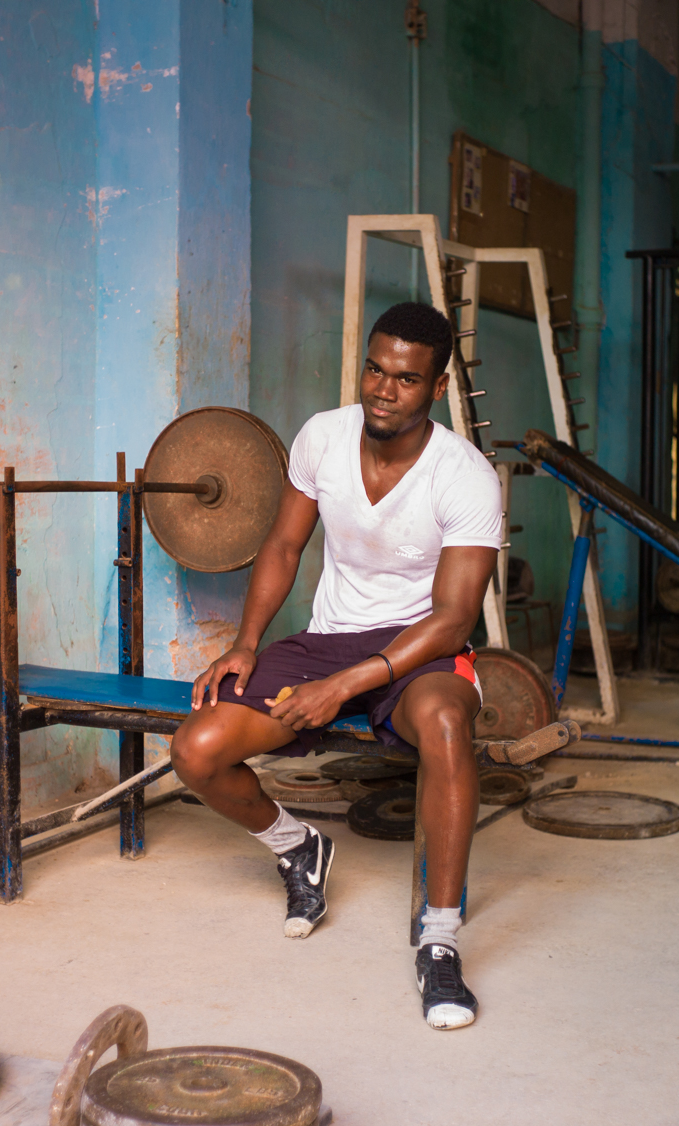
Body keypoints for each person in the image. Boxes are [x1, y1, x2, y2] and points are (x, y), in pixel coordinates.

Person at [169, 302, 502, 1030]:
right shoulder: (323, 436)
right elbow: (284, 546)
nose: (384, 390)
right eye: (375, 370)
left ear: (438, 387)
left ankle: (440, 941)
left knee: (446, 726)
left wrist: (345, 686)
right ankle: (297, 847)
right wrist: (247, 642)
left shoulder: (466, 476)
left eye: (406, 379)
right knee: (195, 749)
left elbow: (453, 618)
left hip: (419, 648)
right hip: (327, 638)